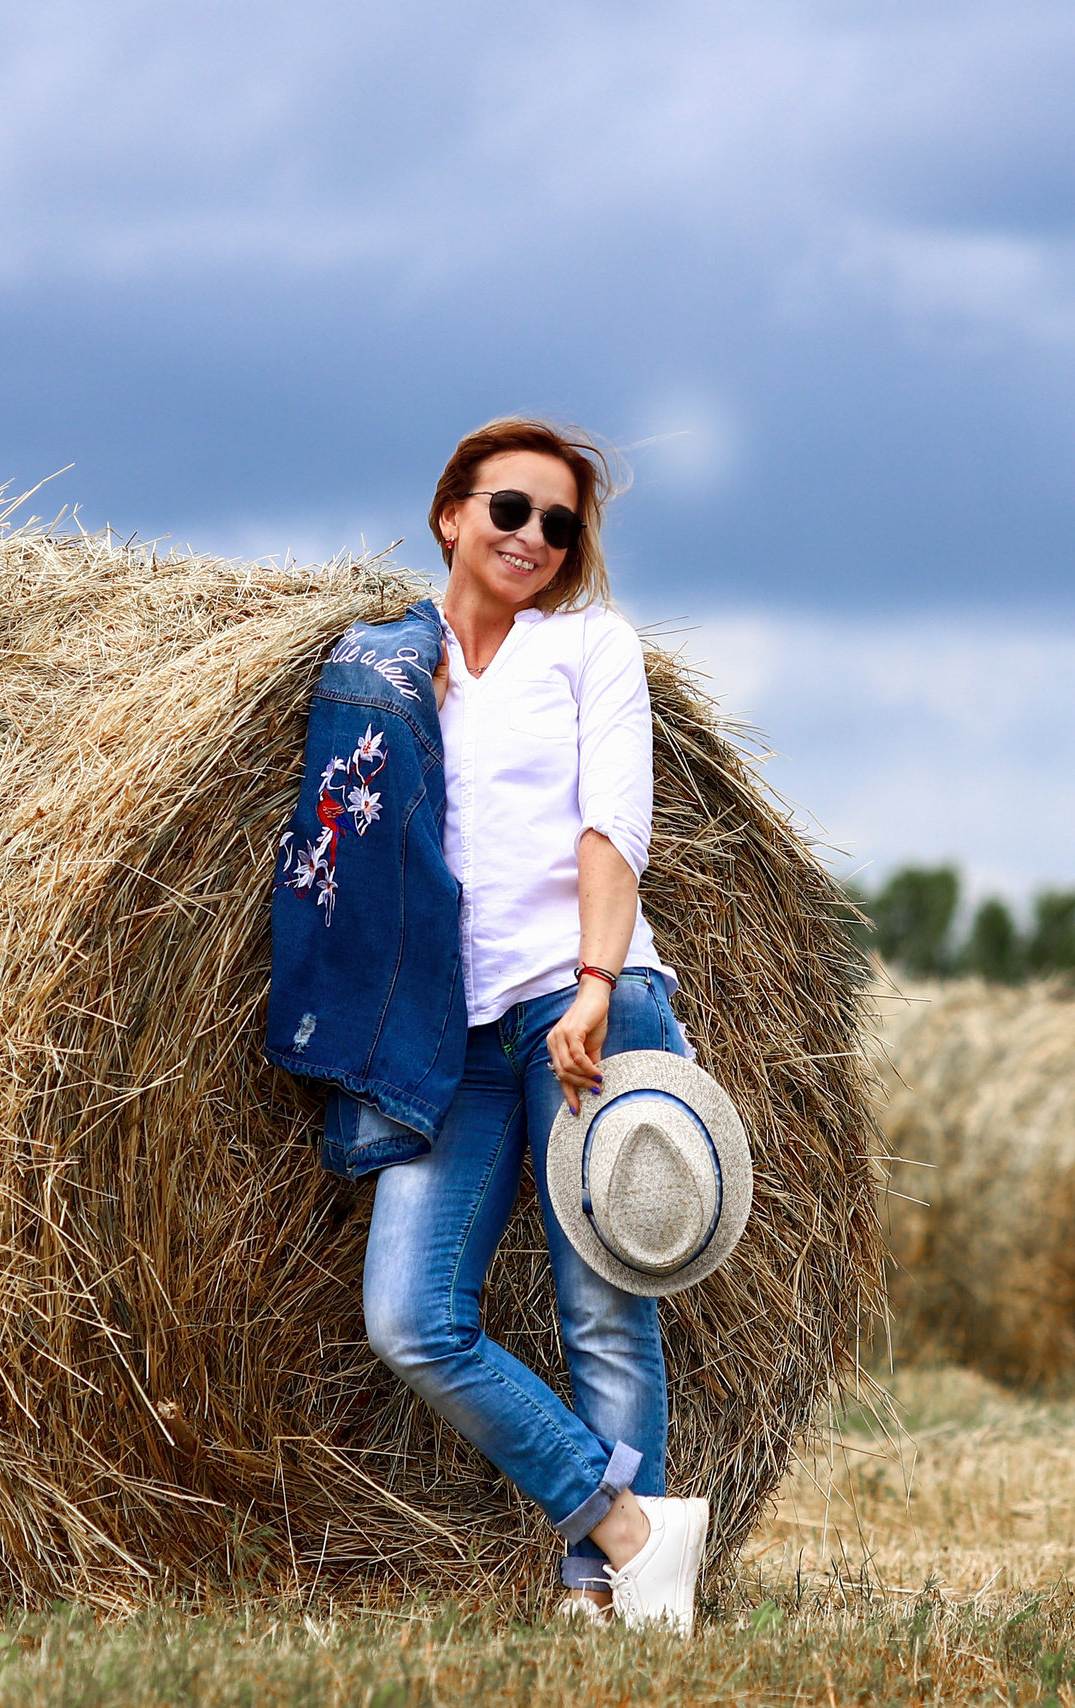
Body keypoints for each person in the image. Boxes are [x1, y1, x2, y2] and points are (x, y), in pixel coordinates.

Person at [278, 417, 708, 1630]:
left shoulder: (588, 647)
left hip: (583, 1000)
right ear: (451, 514)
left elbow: (613, 823)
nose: (533, 536)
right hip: (447, 1032)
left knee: (604, 1310)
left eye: (559, 524)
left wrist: (594, 979)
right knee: (411, 1317)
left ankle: (604, 1596)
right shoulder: (382, 669)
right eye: (510, 509)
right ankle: (630, 1529)